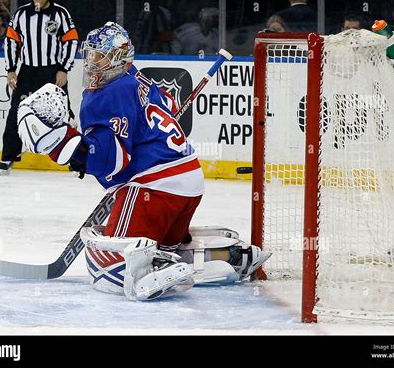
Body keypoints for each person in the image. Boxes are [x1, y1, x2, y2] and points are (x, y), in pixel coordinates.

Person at [16, 21, 271, 301]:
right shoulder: (138, 78)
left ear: (118, 58)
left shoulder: (107, 93)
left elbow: (110, 162)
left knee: (106, 266)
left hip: (153, 189)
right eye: (90, 55)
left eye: (100, 56)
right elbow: (171, 105)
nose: (92, 63)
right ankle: (228, 255)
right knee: (163, 245)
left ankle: (154, 269)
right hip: (188, 185)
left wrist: (57, 141)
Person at [0, 0, 78, 175]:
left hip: (53, 71)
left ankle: (73, 158)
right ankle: (8, 157)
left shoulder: (60, 13)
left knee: (62, 113)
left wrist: (63, 68)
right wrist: (10, 69)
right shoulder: (21, 14)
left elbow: (71, 40)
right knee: (16, 112)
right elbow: (11, 42)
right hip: (28, 72)